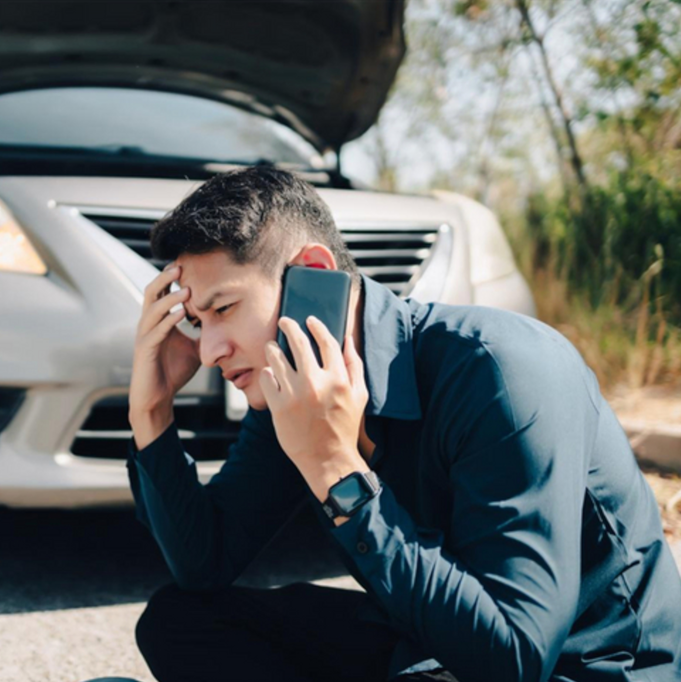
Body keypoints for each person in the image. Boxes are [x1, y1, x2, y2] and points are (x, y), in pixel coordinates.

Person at [125, 166, 681, 682]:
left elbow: (514, 658)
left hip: (581, 667)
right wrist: (151, 414)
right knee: (179, 619)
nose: (210, 350)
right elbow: (205, 562)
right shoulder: (294, 391)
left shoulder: (500, 372)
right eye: (197, 322)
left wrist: (336, 469)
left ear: (311, 276)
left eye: (223, 308)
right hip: (431, 643)